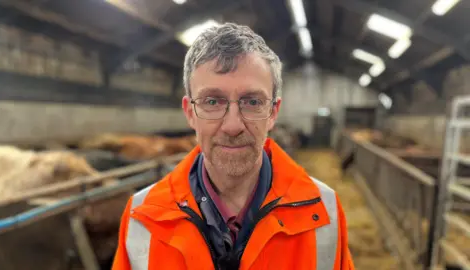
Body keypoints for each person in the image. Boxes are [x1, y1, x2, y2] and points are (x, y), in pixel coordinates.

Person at [112, 22, 354, 270]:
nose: (232, 125)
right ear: (190, 112)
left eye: (252, 102)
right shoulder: (141, 217)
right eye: (213, 101)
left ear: (273, 112)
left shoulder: (324, 211)